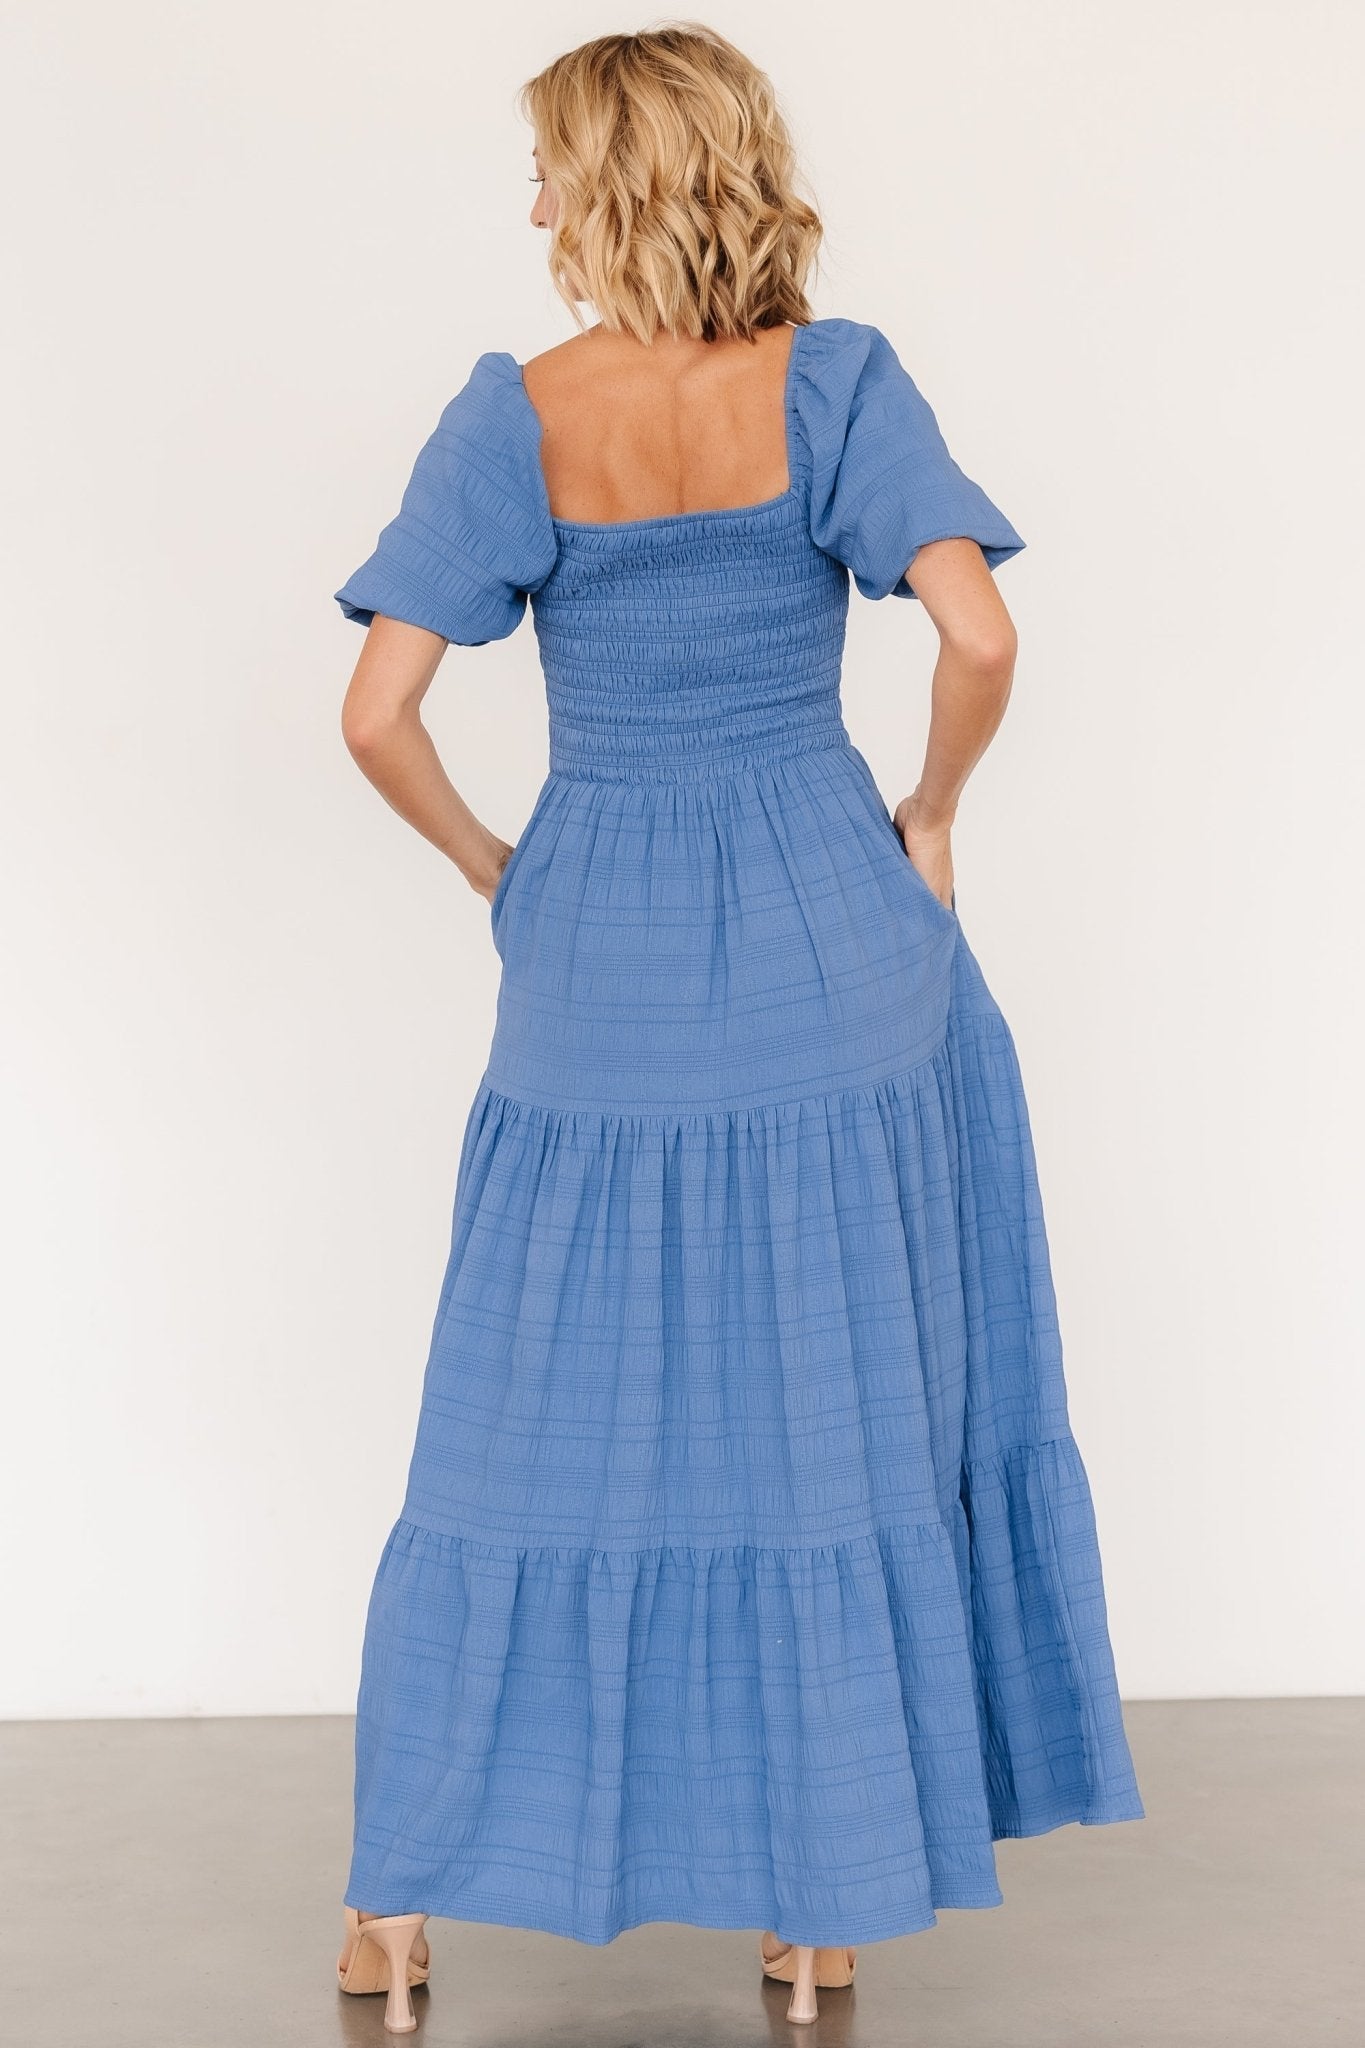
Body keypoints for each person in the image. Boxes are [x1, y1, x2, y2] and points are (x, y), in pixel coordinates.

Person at [330, 22, 1144, 2035]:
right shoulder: (835, 384)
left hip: (593, 933)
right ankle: (816, 1909)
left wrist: (496, 868)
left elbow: (375, 715)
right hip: (827, 930)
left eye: (547, 163)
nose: (529, 198)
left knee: (514, 1415)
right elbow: (976, 634)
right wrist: (928, 817)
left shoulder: (517, 415)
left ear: (610, 180)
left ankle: (394, 1913)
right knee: (827, 1415)